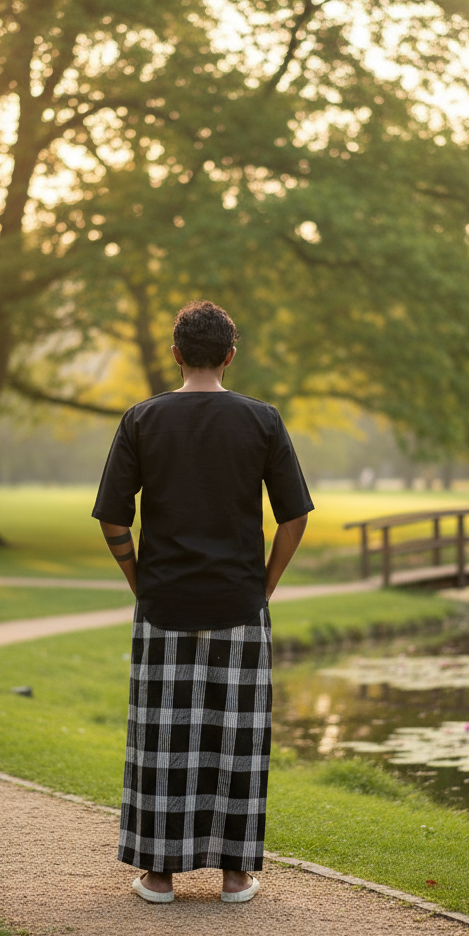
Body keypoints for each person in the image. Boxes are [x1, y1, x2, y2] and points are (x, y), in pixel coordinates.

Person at [92, 301, 313, 904]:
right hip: (240, 604)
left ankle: (158, 876)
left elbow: (113, 517)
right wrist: (265, 585)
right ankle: (235, 876)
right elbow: (294, 516)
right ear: (230, 356)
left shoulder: (141, 419)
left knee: (160, 738)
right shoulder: (263, 420)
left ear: (176, 354)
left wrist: (138, 579)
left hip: (163, 602)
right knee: (236, 740)